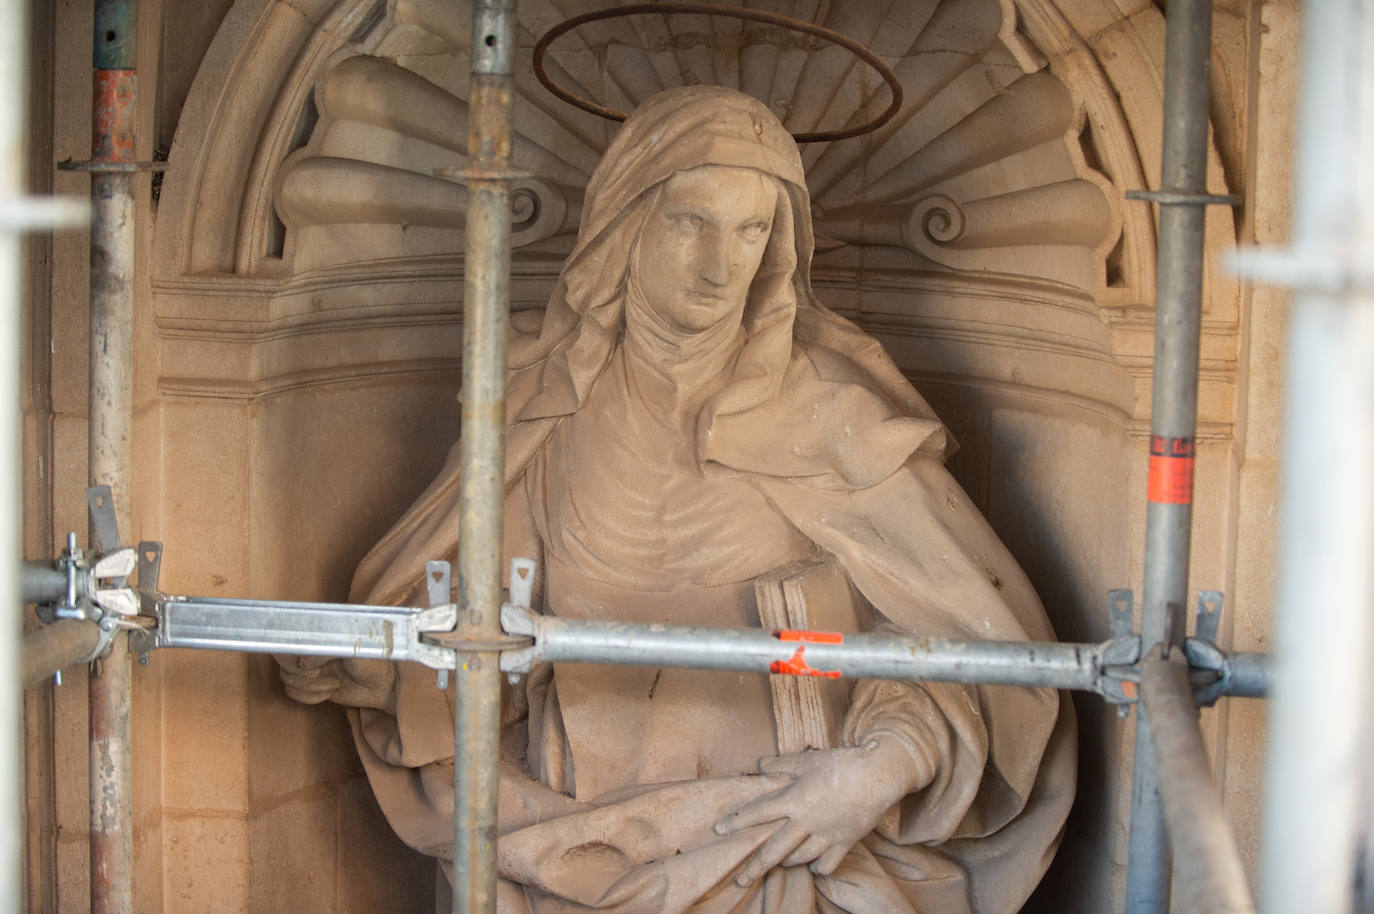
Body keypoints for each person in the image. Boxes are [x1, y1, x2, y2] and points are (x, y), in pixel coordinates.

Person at [280, 86, 1075, 914]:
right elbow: (463, 622)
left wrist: (876, 770)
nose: (720, 265)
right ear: (626, 225)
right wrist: (368, 659)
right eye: (691, 221)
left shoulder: (836, 422)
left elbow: (980, 655)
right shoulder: (540, 413)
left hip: (786, 842)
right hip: (572, 838)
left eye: (751, 230)